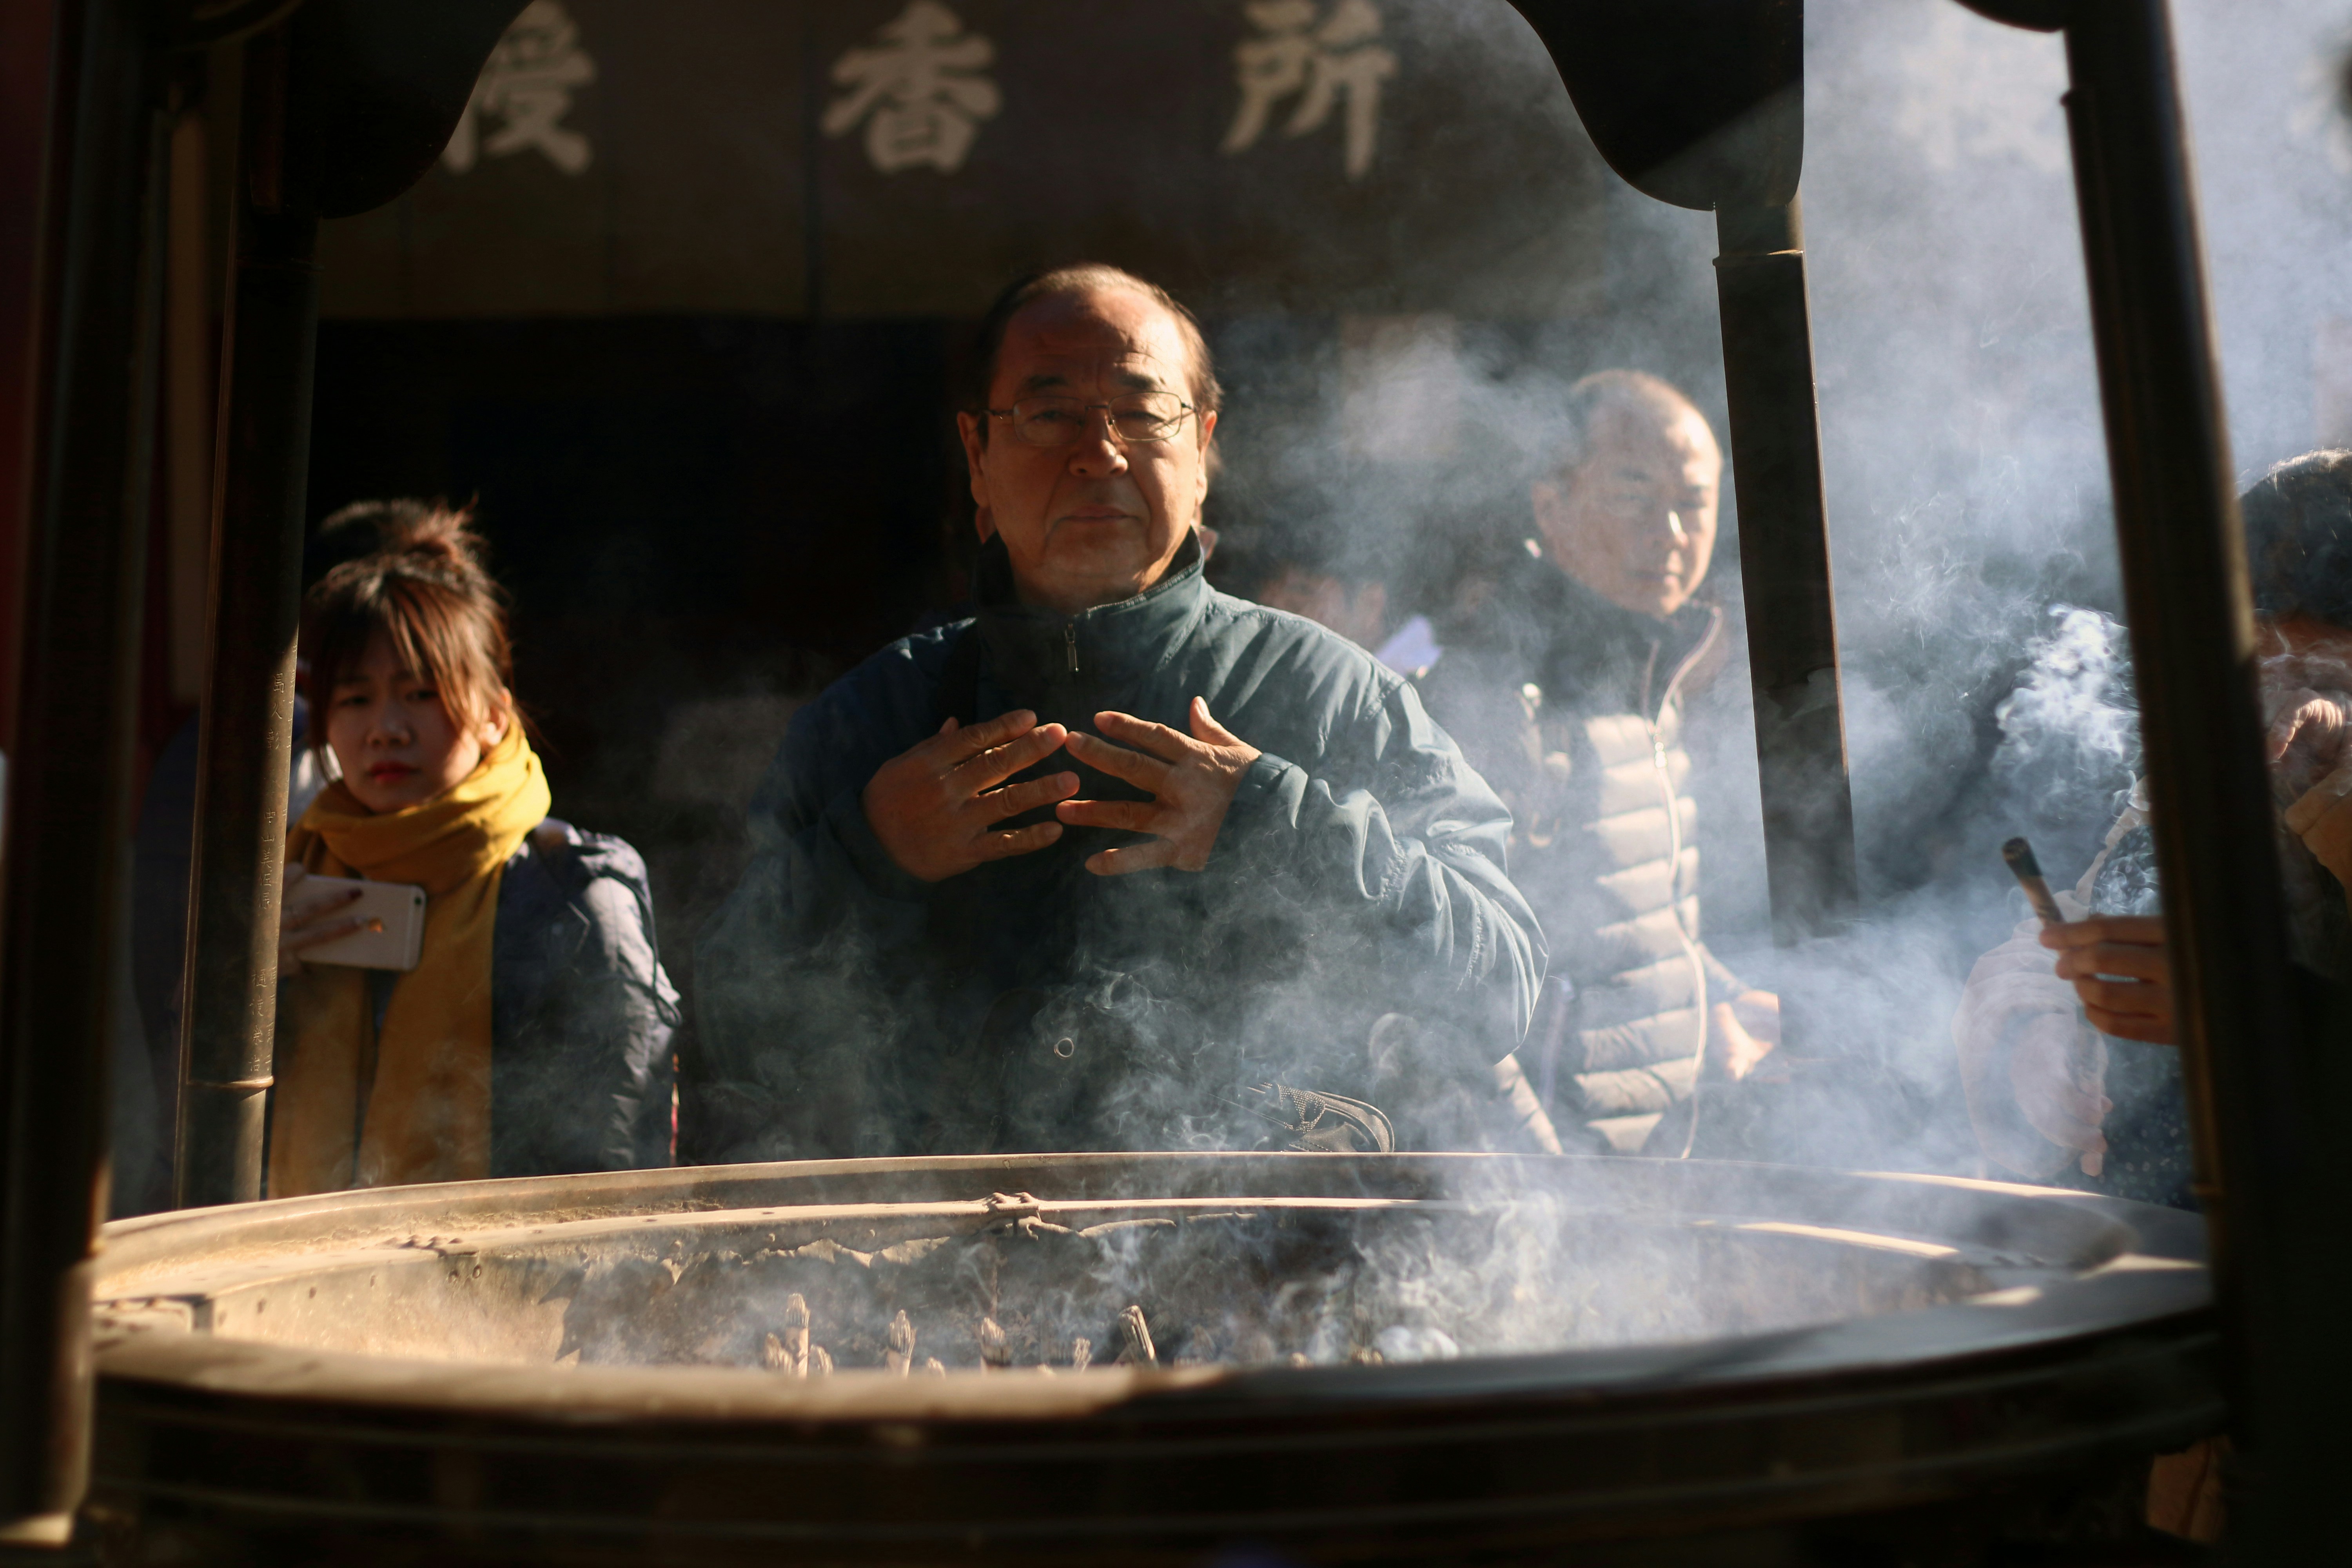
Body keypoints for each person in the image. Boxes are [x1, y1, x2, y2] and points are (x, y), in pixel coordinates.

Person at [690, 264, 1548, 1160]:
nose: (1099, 454)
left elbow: (1501, 989)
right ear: (978, 458)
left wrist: (1272, 820)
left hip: (1260, 1272)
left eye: (1141, 412)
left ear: (1204, 449)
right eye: (1050, 413)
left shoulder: (1333, 696)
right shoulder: (874, 720)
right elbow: (732, 1028)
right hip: (932, 1277)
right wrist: (870, 855)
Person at [1954, 450, 2352, 1205]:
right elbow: (2104, 929)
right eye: (2251, 671)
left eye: (2320, 679)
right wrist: (2040, 1032)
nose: (2278, 711)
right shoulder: (2207, 780)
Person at [1414, 370, 1778, 1156]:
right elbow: (1439, 983)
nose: (1672, 532)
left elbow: (1633, 915)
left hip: (1647, 1165)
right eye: (1633, 495)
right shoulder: (1499, 691)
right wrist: (1541, 1177)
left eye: (1695, 502)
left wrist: (1718, 996)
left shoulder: (1653, 674)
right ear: (1551, 504)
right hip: (1554, 1187)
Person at [269, 506, 679, 1194]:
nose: (385, 730)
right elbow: (199, 1125)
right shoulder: (296, 871)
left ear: (495, 712)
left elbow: (611, 1166)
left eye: (420, 695)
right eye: (355, 699)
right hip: (310, 1281)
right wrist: (242, 987)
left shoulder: (572, 895)